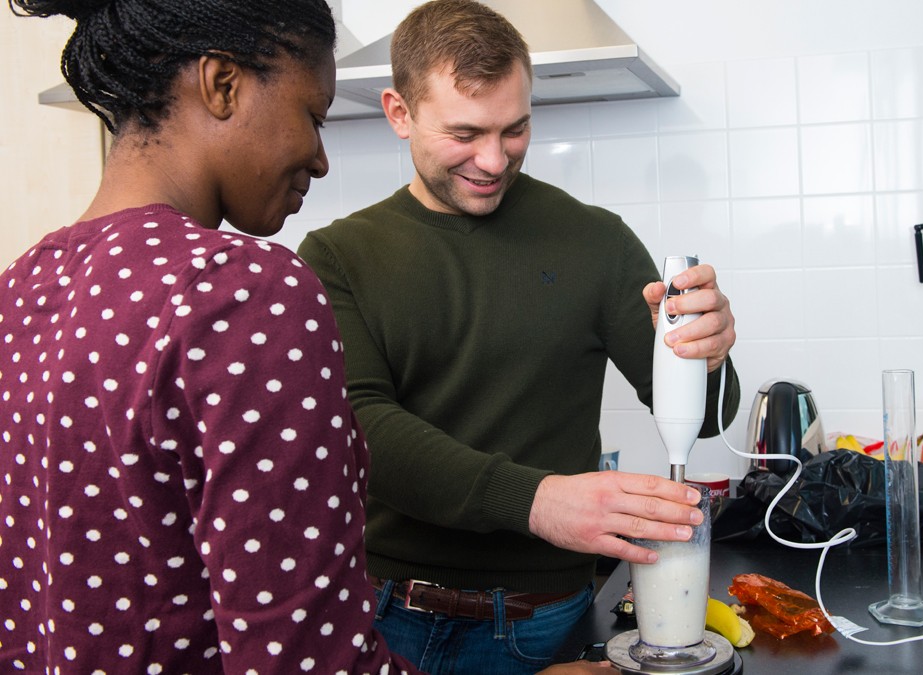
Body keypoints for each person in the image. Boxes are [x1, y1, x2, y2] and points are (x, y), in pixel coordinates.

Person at [0, 2, 612, 673]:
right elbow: (308, 657)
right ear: (222, 84)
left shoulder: (22, 285)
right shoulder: (244, 291)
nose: (321, 160)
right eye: (313, 117)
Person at [295, 1, 741, 672]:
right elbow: (361, 429)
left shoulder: (596, 241)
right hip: (385, 612)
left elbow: (706, 419)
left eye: (516, 128)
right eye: (465, 133)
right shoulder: (337, 255)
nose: (493, 159)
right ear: (399, 112)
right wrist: (538, 501)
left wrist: (708, 355)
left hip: (542, 622)